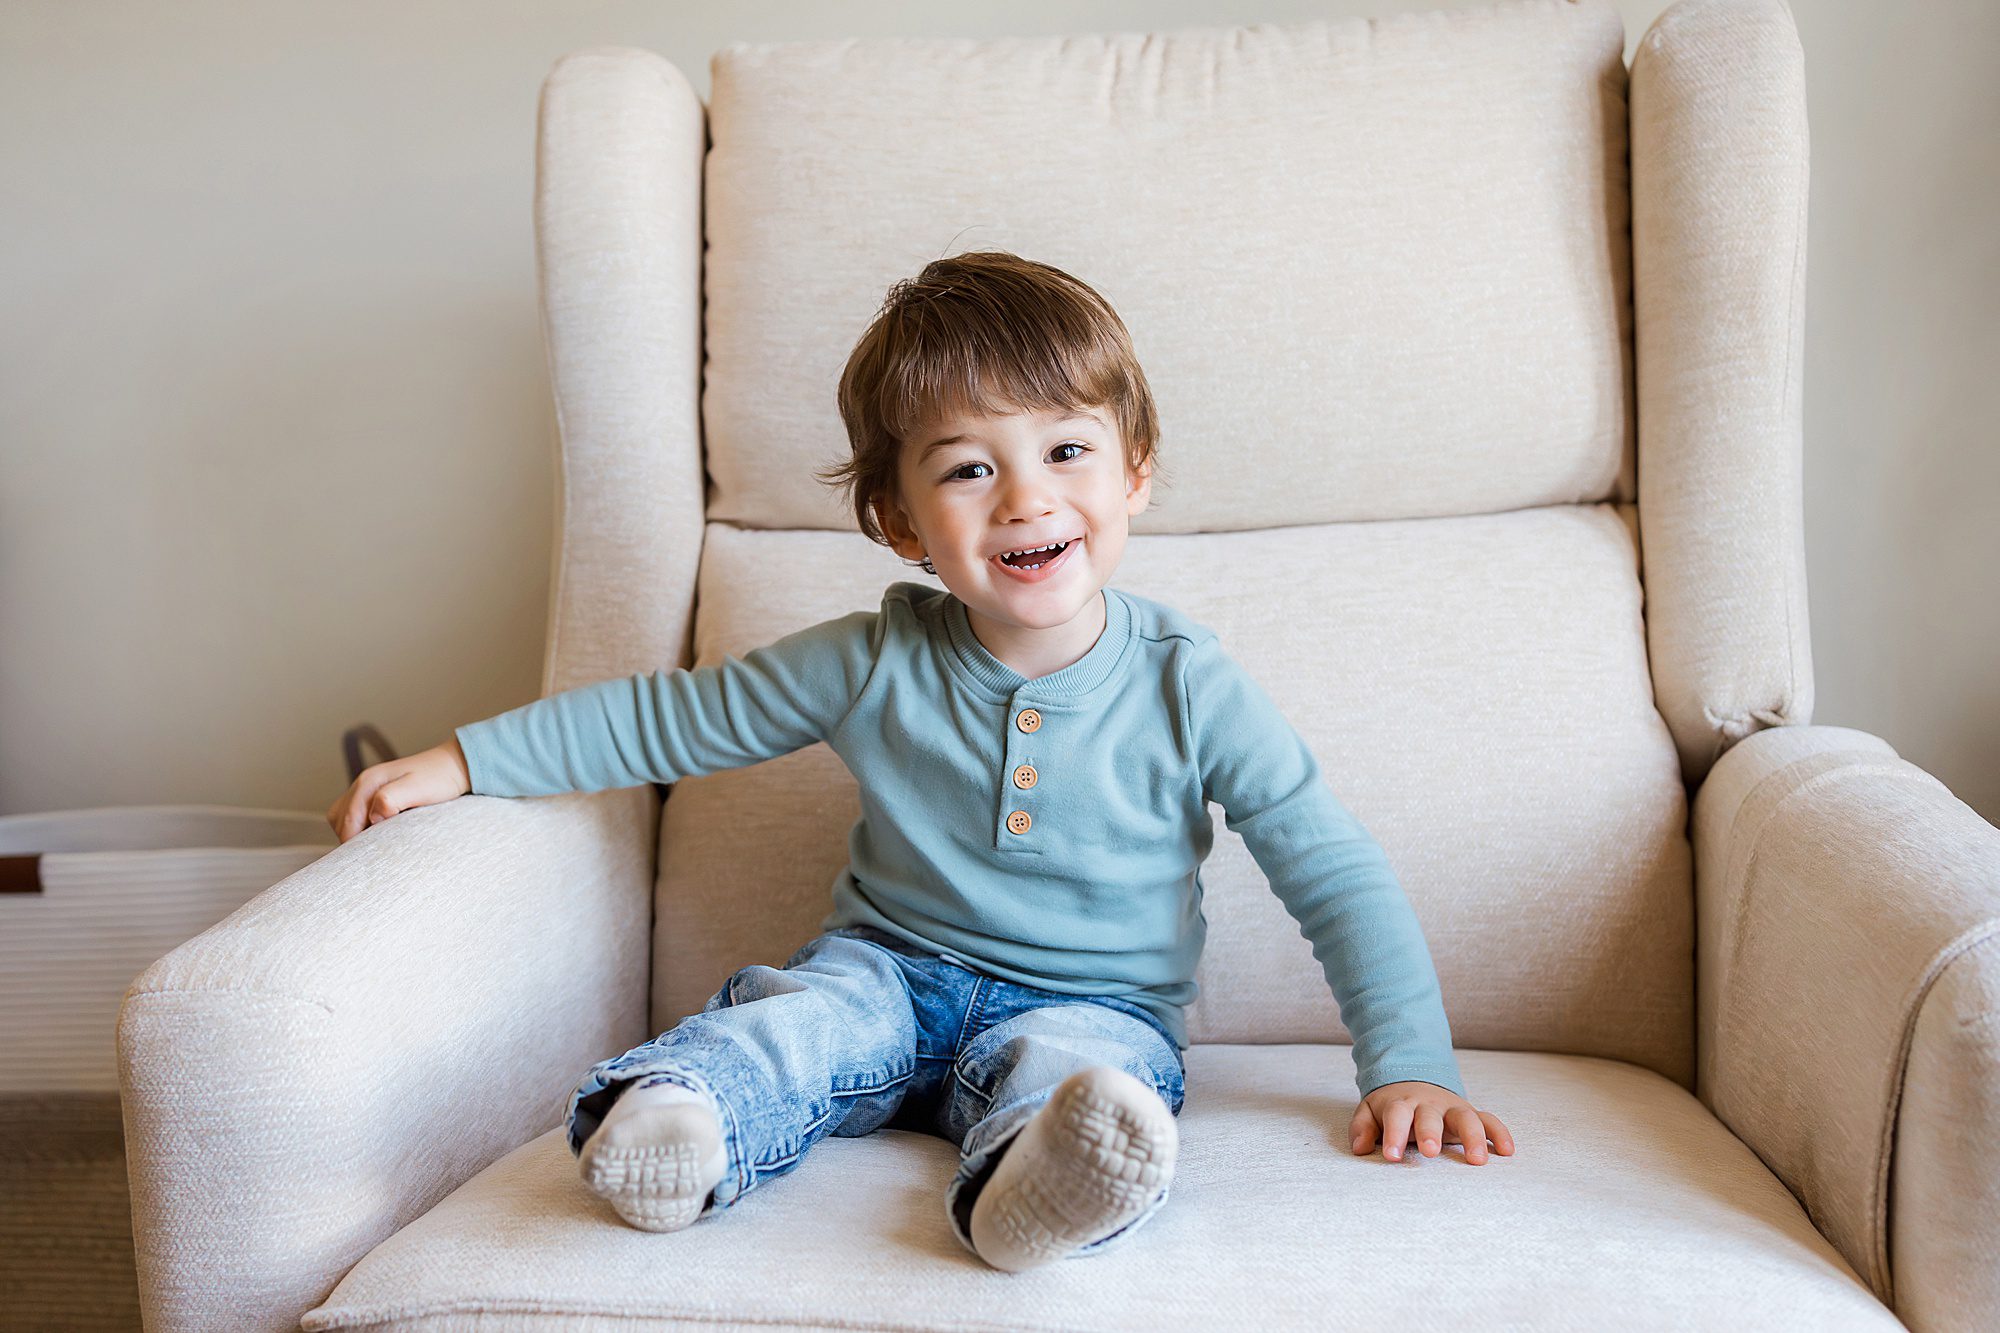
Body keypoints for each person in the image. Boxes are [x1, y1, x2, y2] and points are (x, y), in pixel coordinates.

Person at [326, 250, 1515, 1272]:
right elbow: (664, 720)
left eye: (1064, 449)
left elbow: (1331, 868)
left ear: (1133, 472)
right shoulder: (872, 656)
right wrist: (463, 759)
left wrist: (1406, 1063)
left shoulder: (1185, 680)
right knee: (795, 1021)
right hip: (888, 970)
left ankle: (1035, 1194)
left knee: (1080, 1074)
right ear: (900, 524)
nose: (1024, 497)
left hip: (1094, 1003)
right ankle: (683, 1128)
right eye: (966, 467)